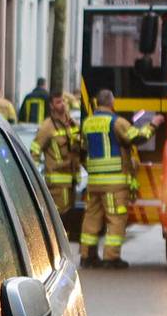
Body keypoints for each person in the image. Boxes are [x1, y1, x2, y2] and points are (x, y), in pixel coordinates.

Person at [79, 90, 153, 267]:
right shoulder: (116, 122)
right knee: (116, 219)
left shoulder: (87, 123)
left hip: (94, 182)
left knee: (91, 217)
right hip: (114, 183)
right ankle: (111, 258)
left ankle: (87, 256)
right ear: (112, 103)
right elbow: (138, 137)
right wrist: (154, 125)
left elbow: (82, 149)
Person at [30, 93, 83, 225]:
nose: (63, 104)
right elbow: (35, 151)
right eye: (58, 102)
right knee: (59, 219)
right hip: (56, 184)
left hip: (72, 182)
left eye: (63, 101)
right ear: (51, 106)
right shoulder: (47, 127)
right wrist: (33, 177)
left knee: (70, 218)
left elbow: (81, 150)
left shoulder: (73, 124)